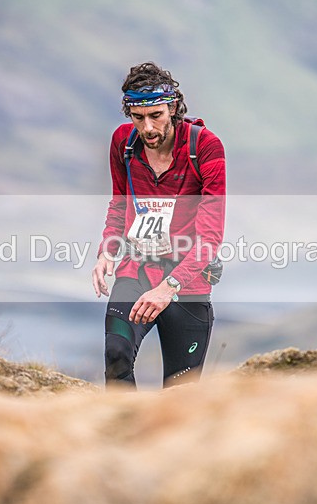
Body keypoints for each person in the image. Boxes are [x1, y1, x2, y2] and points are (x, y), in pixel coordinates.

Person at [91, 62, 226, 389]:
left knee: (180, 393)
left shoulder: (205, 148)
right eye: (138, 117)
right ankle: (122, 437)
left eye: (157, 116)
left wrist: (169, 287)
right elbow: (119, 204)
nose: (148, 128)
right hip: (135, 271)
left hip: (188, 285)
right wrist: (107, 251)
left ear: (174, 108)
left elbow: (209, 239)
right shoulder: (124, 144)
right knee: (116, 356)